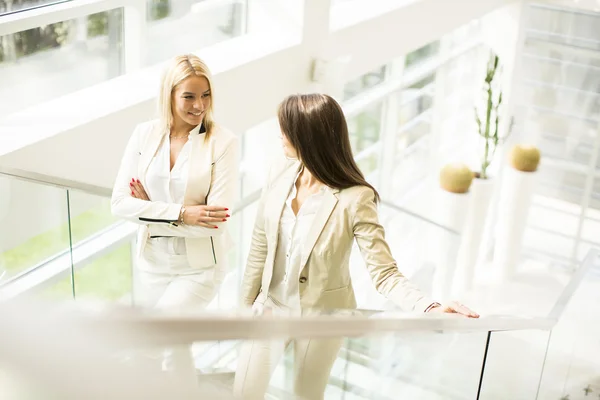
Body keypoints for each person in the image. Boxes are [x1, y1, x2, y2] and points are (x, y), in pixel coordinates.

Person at [234, 93, 478, 400]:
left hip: (321, 319)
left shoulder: (356, 198)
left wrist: (429, 308)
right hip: (269, 309)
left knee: (305, 397)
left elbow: (385, 273)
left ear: (308, 136)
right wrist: (243, 310)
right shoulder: (279, 171)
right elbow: (259, 243)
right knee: (243, 392)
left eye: (287, 128)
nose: (280, 134)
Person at [111, 53, 238, 313]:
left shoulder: (224, 142)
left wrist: (149, 213)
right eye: (189, 96)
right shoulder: (143, 134)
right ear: (169, 95)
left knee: (154, 342)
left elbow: (215, 225)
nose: (199, 105)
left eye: (206, 95)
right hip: (152, 265)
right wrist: (183, 214)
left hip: (200, 269)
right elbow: (120, 204)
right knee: (174, 349)